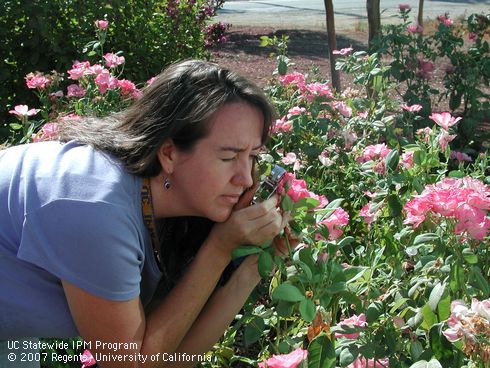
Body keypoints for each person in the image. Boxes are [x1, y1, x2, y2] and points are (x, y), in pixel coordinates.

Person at [0, 60, 291, 367]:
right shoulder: (97, 208)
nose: (246, 178)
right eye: (229, 157)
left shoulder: (153, 200)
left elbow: (172, 358)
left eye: (253, 156)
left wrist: (249, 269)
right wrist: (218, 249)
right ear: (169, 153)